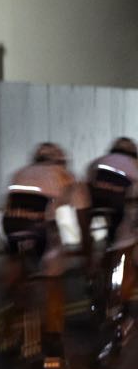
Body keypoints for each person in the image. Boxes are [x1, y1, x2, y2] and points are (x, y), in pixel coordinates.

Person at [0, 142, 85, 369]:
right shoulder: (64, 175)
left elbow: (8, 207)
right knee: (53, 280)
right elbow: (82, 217)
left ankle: (12, 307)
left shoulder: (20, 172)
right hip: (39, 225)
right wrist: (87, 252)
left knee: (16, 260)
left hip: (11, 222)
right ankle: (54, 341)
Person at [79, 136, 138, 318]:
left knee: (112, 243)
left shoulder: (97, 162)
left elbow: (86, 190)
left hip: (97, 206)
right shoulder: (135, 164)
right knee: (127, 251)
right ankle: (121, 302)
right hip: (124, 205)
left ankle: (97, 276)